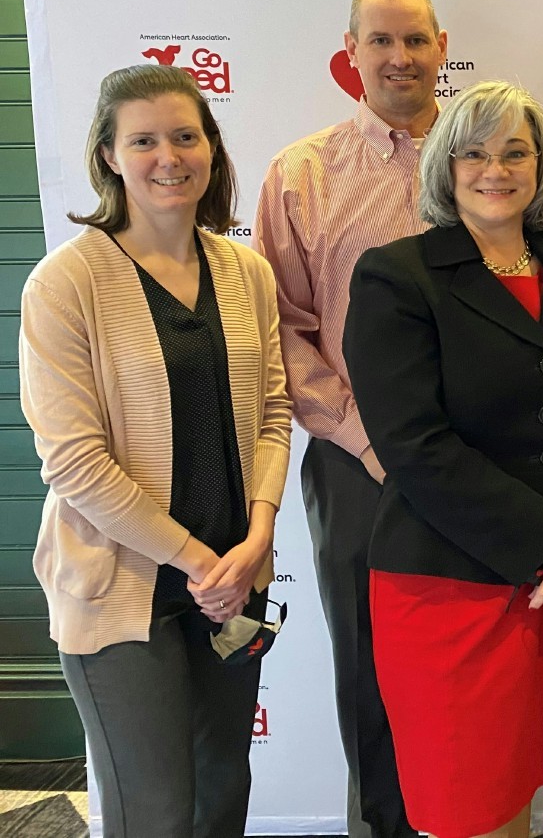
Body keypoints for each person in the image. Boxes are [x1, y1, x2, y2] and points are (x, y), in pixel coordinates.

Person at [343, 81, 543, 838]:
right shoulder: (397, 276)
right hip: (448, 587)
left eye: (515, 151)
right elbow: (415, 446)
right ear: (445, 167)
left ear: (541, 166)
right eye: (473, 152)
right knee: (465, 805)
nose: (495, 168)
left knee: (521, 788)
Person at [21, 64, 290, 837]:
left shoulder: (247, 272)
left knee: (221, 792)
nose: (168, 156)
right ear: (109, 155)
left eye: (185, 135)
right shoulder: (65, 284)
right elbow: (73, 463)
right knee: (156, 811)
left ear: (211, 146)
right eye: (143, 140)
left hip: (237, 579)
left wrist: (258, 537)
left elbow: (274, 410)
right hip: (120, 585)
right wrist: (197, 560)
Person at [254, 0, 444, 838]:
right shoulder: (302, 174)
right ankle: (381, 827)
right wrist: (368, 439)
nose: (400, 57)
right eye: (382, 40)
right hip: (357, 461)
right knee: (370, 668)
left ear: (442, 46)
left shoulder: (485, 159)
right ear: (352, 51)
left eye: (415, 39)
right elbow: (284, 331)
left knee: (466, 662)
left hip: (481, 457)